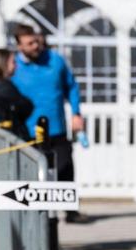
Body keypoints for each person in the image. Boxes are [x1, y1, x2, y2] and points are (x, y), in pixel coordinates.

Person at [9, 24, 86, 222]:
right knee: (33, 172)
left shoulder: (55, 60)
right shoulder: (13, 66)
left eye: (38, 41)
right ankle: (39, 216)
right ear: (19, 46)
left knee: (65, 166)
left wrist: (76, 113)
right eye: (30, 43)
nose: (36, 46)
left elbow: (72, 87)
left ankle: (70, 211)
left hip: (56, 127)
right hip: (27, 131)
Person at [0, 48, 34, 141]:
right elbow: (26, 107)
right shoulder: (3, 87)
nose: (16, 66)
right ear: (3, 64)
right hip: (9, 137)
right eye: (13, 62)